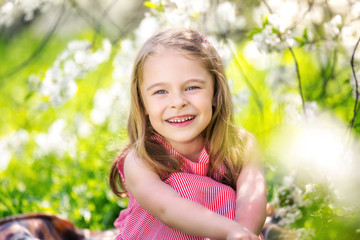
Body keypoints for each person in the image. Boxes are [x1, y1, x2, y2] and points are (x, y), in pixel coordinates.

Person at [109, 28, 267, 240]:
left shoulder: (240, 146)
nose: (178, 102)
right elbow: (168, 208)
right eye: (161, 92)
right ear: (143, 102)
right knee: (183, 187)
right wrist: (230, 231)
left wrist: (243, 234)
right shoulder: (140, 160)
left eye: (192, 87)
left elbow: (252, 199)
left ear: (215, 92)